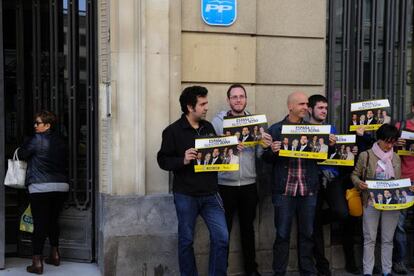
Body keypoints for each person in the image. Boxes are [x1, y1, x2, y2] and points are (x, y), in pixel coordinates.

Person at [157, 86, 228, 275]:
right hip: (185, 195)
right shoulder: (172, 131)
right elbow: (162, 160)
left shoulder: (209, 127)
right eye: (202, 104)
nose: (206, 107)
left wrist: (228, 151)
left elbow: (216, 156)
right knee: (186, 241)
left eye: (206, 103)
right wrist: (183, 159)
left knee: (222, 238)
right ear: (190, 107)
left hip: (211, 194)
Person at [211, 84, 271, 276]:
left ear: (246, 99)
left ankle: (251, 270)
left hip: (249, 184)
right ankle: (221, 270)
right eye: (234, 97)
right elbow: (210, 151)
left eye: (241, 96)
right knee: (223, 232)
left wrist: (264, 145)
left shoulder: (256, 123)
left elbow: (260, 155)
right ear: (228, 100)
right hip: (224, 185)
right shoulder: (217, 122)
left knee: (248, 230)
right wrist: (226, 145)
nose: (238, 100)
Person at [262, 91, 319, 276]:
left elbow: (321, 157)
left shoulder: (313, 130)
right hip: (284, 191)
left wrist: (330, 145)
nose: (305, 107)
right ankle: (279, 272)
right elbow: (266, 160)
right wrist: (272, 150)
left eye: (306, 104)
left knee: (307, 235)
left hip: (308, 190)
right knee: (282, 235)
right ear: (290, 107)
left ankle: (307, 271)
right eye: (302, 104)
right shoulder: (276, 130)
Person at [307, 94, 359, 275]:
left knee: (342, 212)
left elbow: (339, 154)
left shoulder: (332, 128)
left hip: (332, 177)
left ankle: (316, 220)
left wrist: (351, 151)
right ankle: (322, 266)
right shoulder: (304, 129)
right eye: (320, 108)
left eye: (326, 108)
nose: (324, 111)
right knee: (314, 229)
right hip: (312, 178)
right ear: (310, 109)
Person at [18, 111, 69, 274]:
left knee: (39, 224)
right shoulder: (62, 141)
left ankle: (37, 262)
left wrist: (23, 146)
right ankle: (55, 255)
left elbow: (21, 155)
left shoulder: (35, 140)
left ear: (47, 125)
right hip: (61, 186)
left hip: (40, 187)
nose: (35, 125)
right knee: (53, 221)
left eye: (37, 123)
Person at [351, 124, 402, 276]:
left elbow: (399, 180)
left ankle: (387, 271)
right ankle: (368, 271)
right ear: (379, 139)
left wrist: (407, 187)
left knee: (388, 239)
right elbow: (354, 174)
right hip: (371, 201)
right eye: (387, 141)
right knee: (369, 239)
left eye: (393, 142)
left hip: (392, 203)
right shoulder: (366, 155)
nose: (389, 145)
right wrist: (358, 183)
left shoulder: (397, 157)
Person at [392, 104, 414, 274]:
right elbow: (382, 148)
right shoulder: (400, 127)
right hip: (403, 182)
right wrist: (394, 143)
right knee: (398, 225)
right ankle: (399, 261)